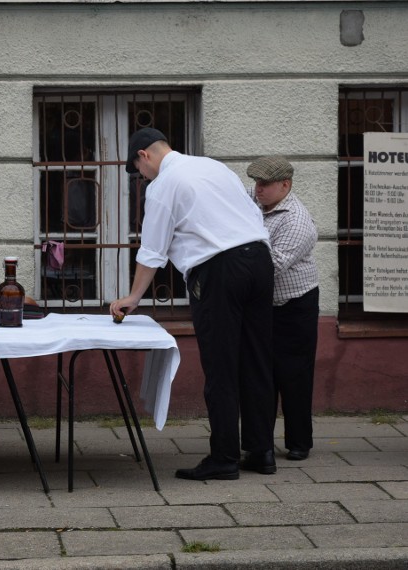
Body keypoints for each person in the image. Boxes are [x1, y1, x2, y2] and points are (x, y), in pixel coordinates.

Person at [111, 128, 276, 481]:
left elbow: (152, 251)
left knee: (221, 366)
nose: (142, 177)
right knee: (258, 359)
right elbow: (252, 212)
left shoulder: (163, 186)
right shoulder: (213, 167)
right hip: (259, 259)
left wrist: (133, 297)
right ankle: (261, 451)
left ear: (144, 155)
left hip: (220, 269)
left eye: (139, 170)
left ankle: (224, 458)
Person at [247, 156, 319, 461]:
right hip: (264, 304)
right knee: (262, 374)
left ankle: (299, 442)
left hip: (295, 305)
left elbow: (271, 266)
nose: (257, 189)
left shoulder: (297, 221)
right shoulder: (254, 201)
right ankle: (259, 443)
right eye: (256, 182)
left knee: (294, 375)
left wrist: (233, 271)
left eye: (264, 184)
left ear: (285, 185)